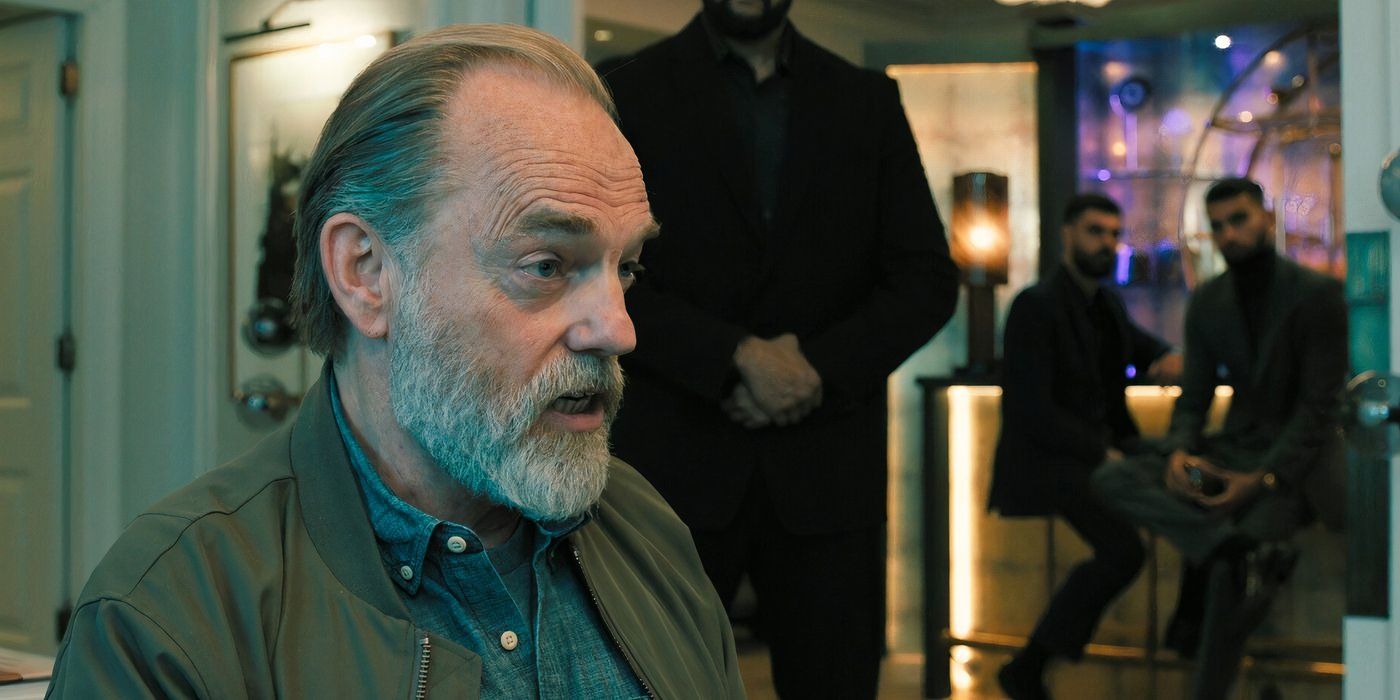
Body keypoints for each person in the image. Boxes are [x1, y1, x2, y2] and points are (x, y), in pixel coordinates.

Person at [47, 24, 744, 699]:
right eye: (547, 265)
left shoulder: (644, 528)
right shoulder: (169, 615)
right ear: (365, 273)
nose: (618, 331)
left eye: (627, 268)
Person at [599, 1, 959, 696]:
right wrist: (734, 356)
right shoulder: (628, 88)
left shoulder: (866, 100)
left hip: (830, 474)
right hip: (673, 470)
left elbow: (926, 280)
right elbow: (600, 269)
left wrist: (816, 370)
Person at [1092, 177, 1348, 699]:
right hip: (1230, 451)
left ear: (1267, 219)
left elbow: (1316, 409)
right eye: (1218, 226)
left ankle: (1209, 683)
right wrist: (1180, 450)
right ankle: (1224, 547)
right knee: (1113, 478)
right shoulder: (1209, 300)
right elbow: (1194, 398)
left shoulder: (1317, 295)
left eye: (1239, 220)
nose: (1229, 234)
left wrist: (1262, 479)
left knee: (1228, 590)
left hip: (1290, 469)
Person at [989, 194, 1181, 699]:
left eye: (1114, 234)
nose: (1107, 243)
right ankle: (1029, 666)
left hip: (1101, 453)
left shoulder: (1106, 305)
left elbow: (1144, 347)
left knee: (1192, 474)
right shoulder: (1035, 306)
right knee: (1123, 550)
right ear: (1067, 234)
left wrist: (1169, 356)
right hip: (1049, 463)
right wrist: (1103, 454)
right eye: (1095, 231)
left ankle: (1190, 630)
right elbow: (1032, 410)